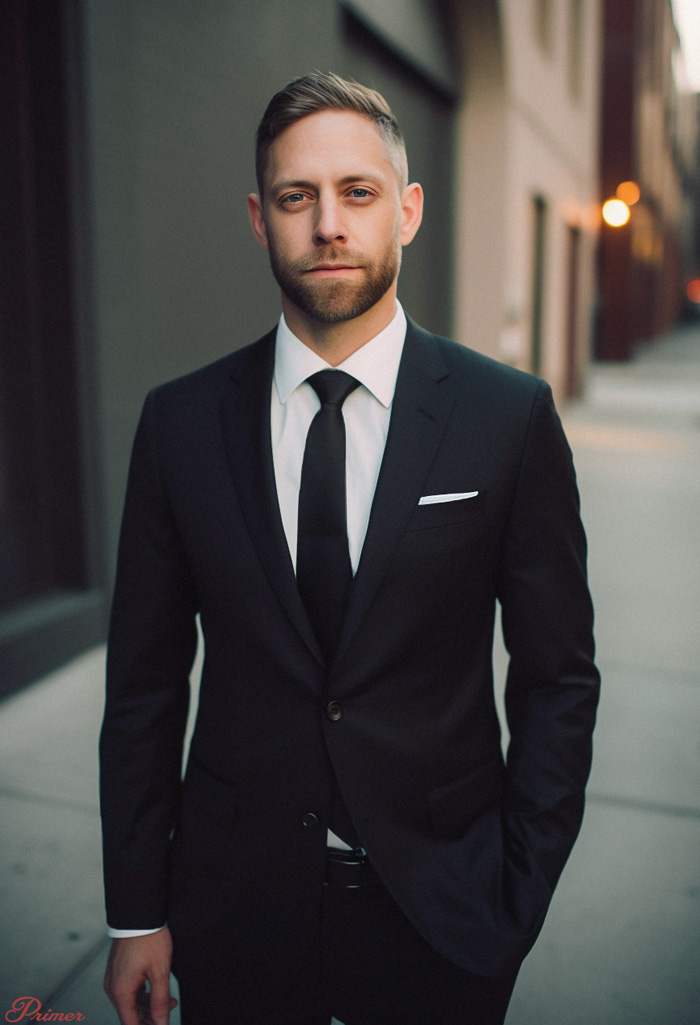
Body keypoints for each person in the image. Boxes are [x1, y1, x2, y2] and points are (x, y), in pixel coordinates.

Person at [100, 71, 600, 1025]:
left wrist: (516, 893)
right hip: (234, 911)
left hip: (445, 913)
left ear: (407, 210)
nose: (328, 224)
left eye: (357, 193)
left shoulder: (509, 418)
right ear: (260, 218)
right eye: (298, 196)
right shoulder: (180, 423)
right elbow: (145, 686)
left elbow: (558, 675)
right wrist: (136, 912)